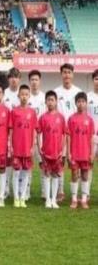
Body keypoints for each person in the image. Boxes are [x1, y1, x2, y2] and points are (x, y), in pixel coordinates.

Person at [54, 63, 81, 200]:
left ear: (73, 74)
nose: (67, 75)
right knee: (61, 160)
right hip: (60, 133)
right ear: (61, 74)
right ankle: (60, 190)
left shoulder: (78, 92)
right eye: (64, 72)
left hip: (75, 133)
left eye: (69, 72)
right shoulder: (56, 92)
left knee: (75, 162)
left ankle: (74, 193)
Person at [9, 85, 38, 208]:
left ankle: (22, 197)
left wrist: (33, 146)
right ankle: (16, 197)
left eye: (26, 94)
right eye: (22, 94)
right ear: (18, 95)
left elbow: (34, 131)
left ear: (29, 96)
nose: (24, 97)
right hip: (17, 147)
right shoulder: (14, 111)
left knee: (26, 173)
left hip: (27, 147)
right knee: (16, 173)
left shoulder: (32, 112)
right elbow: (11, 130)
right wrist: (10, 145)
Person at [37, 91, 66, 209]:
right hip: (46, 151)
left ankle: (54, 199)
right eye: (48, 100)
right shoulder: (43, 117)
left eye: (52, 100)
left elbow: (64, 134)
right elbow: (38, 133)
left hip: (57, 152)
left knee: (55, 175)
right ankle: (48, 199)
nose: (50, 102)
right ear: (45, 102)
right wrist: (39, 148)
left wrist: (62, 150)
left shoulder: (61, 117)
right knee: (46, 174)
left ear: (56, 101)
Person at [67, 92, 94, 209]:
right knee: (74, 175)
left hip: (85, 153)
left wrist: (92, 153)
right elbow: (68, 137)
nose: (81, 104)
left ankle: (83, 199)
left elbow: (91, 138)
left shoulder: (90, 120)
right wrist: (68, 152)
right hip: (74, 152)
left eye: (83, 101)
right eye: (79, 101)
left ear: (86, 103)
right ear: (75, 103)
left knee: (85, 175)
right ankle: (74, 199)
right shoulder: (71, 119)